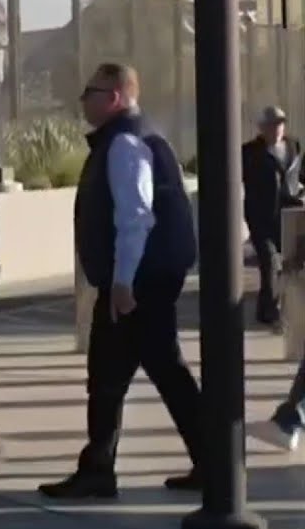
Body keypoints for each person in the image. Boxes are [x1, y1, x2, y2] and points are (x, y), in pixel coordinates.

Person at [39, 62, 203, 499]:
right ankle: (211, 461)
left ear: (113, 97)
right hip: (148, 279)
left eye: (90, 92)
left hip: (136, 284)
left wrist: (122, 282)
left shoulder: (124, 144)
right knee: (157, 371)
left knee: (111, 376)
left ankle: (99, 469)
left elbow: (135, 217)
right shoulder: (143, 136)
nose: (83, 101)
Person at [241, 105, 303, 329]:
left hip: (289, 214)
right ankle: (269, 313)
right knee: (269, 262)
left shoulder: (293, 146)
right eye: (271, 125)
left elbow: (298, 175)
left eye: (280, 124)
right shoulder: (249, 152)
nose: (277, 129)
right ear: (261, 128)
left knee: (290, 263)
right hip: (261, 216)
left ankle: (273, 307)